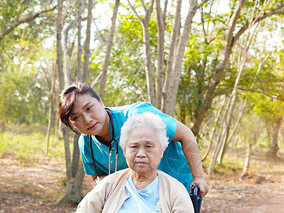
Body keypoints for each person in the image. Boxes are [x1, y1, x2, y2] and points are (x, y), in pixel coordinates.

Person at [65, 113, 199, 213]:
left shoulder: (175, 190)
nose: (141, 153)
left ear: (161, 151)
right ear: (125, 152)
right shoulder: (110, 184)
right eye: (134, 146)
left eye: (149, 146)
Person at [59, 82, 208, 196]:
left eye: (89, 108)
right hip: (138, 200)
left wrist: (199, 178)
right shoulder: (86, 144)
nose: (87, 120)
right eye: (76, 117)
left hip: (178, 188)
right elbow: (99, 177)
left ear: (101, 102)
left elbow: (186, 134)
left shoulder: (137, 115)